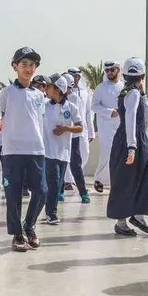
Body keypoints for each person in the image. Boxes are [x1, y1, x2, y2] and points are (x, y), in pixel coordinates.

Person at [0, 47, 48, 252]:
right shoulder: (6, 92)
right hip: (12, 151)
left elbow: (38, 121)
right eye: (24, 64)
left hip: (36, 150)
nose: (29, 69)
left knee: (42, 191)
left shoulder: (38, 95)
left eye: (32, 65)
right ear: (15, 67)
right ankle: (17, 234)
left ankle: (29, 225)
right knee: (13, 195)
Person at [107, 57, 148, 236]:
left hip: (130, 138)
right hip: (132, 139)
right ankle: (126, 221)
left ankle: (134, 217)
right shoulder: (133, 93)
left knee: (136, 177)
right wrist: (132, 146)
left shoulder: (128, 91)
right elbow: (131, 117)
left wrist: (143, 94)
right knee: (143, 177)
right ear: (143, 75)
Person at [43, 75, 83, 225]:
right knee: (53, 184)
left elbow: (80, 127)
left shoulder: (71, 107)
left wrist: (66, 128)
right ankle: (51, 214)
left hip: (64, 152)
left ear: (58, 89)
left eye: (49, 86)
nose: (46, 89)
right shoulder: (44, 105)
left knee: (58, 184)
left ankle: (49, 211)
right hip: (48, 151)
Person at [91, 61, 124, 193]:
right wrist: (110, 112)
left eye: (112, 70)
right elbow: (94, 105)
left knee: (120, 154)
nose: (109, 72)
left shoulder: (124, 87)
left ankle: (116, 181)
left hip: (121, 126)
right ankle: (99, 179)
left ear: (118, 70)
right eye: (107, 70)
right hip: (105, 126)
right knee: (107, 152)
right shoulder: (101, 88)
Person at [63, 67, 94, 198]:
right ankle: (68, 181)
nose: (74, 78)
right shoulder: (63, 93)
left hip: (82, 130)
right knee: (68, 158)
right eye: (72, 76)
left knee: (84, 154)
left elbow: (88, 113)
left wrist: (91, 132)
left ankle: (73, 179)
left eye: (76, 76)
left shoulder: (85, 92)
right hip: (68, 131)